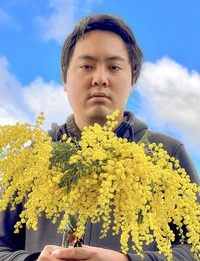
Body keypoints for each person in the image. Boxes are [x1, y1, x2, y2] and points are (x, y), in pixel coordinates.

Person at [0, 14, 199, 261]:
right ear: (65, 78)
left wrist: (127, 260)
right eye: (87, 66)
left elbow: (195, 248)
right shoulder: (30, 161)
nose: (100, 78)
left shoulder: (167, 154)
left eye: (114, 67)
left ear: (133, 79)